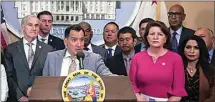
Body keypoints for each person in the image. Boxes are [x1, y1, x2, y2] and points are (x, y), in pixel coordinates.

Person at [129, 21, 187, 101]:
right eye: (152, 34)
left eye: (160, 34)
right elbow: (132, 84)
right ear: (147, 37)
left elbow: (178, 91)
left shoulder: (176, 59)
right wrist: (138, 97)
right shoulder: (137, 57)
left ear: (166, 38)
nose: (155, 37)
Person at [4, 15, 53, 101]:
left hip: (39, 98)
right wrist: (19, 96)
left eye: (36, 25)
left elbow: (49, 76)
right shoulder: (11, 49)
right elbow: (9, 76)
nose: (34, 28)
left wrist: (37, 91)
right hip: (16, 99)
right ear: (23, 27)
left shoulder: (48, 50)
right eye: (30, 25)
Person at [43, 24, 113, 76]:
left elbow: (110, 77)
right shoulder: (51, 57)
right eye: (74, 40)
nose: (79, 44)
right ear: (65, 41)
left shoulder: (94, 59)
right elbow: (44, 83)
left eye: (82, 40)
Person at [178, 35, 215, 102]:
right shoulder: (176, 68)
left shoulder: (211, 70)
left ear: (201, 50)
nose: (192, 51)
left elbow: (213, 97)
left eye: (196, 48)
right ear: (183, 49)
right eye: (188, 47)